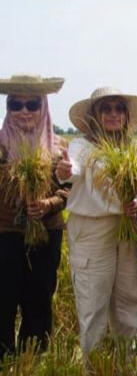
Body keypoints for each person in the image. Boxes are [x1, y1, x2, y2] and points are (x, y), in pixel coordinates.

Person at [55, 86, 137, 355]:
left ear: (126, 114)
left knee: (131, 301)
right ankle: (94, 375)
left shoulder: (136, 147)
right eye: (105, 108)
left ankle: (128, 367)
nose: (112, 114)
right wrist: (65, 170)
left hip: (128, 231)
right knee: (93, 303)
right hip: (92, 232)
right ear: (95, 115)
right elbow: (73, 168)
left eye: (118, 108)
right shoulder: (82, 146)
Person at [0, 74, 68, 356]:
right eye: (16, 105)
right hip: (5, 235)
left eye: (32, 105)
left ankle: (34, 361)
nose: (24, 111)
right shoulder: (1, 147)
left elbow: (67, 192)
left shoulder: (59, 147)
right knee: (3, 300)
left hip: (46, 234)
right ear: (8, 109)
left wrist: (48, 203)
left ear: (44, 108)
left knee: (39, 299)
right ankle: (4, 364)